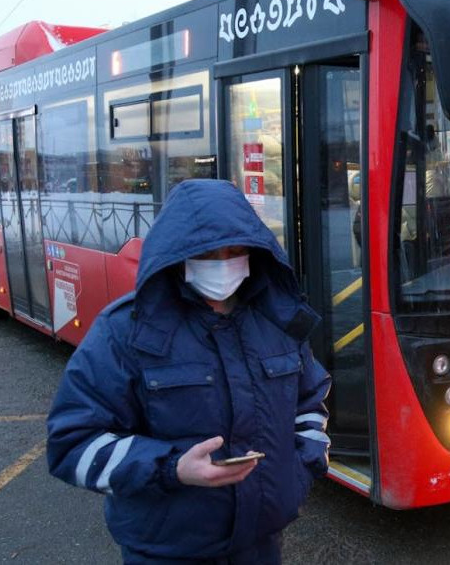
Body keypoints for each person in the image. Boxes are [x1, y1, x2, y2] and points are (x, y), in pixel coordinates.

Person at [46, 179, 331, 564]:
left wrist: (300, 470)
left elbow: (309, 401)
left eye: (235, 251)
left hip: (261, 545)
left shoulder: (276, 320)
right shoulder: (124, 331)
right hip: (168, 552)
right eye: (207, 254)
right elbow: (72, 444)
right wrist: (171, 467)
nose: (223, 263)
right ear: (177, 254)